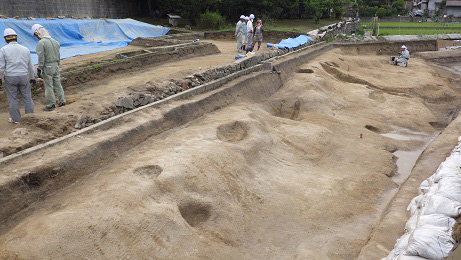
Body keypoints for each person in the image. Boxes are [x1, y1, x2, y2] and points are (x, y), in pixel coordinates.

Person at [0, 28, 35, 124]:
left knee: (13, 99)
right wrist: (32, 77)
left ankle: (15, 119)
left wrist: (0, 77)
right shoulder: (25, 49)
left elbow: (1, 67)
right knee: (27, 97)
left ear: (6, 39)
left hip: (10, 77)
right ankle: (30, 117)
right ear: (16, 38)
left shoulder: (3, 50)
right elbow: (30, 66)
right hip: (23, 76)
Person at [32, 24, 66, 111]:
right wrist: (57, 64)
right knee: (58, 84)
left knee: (48, 86)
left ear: (38, 33)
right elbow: (58, 55)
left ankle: (51, 104)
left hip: (47, 66)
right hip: (55, 65)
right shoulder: (54, 41)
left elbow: (41, 57)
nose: (36, 37)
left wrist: (39, 68)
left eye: (36, 35)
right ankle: (62, 101)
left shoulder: (41, 43)